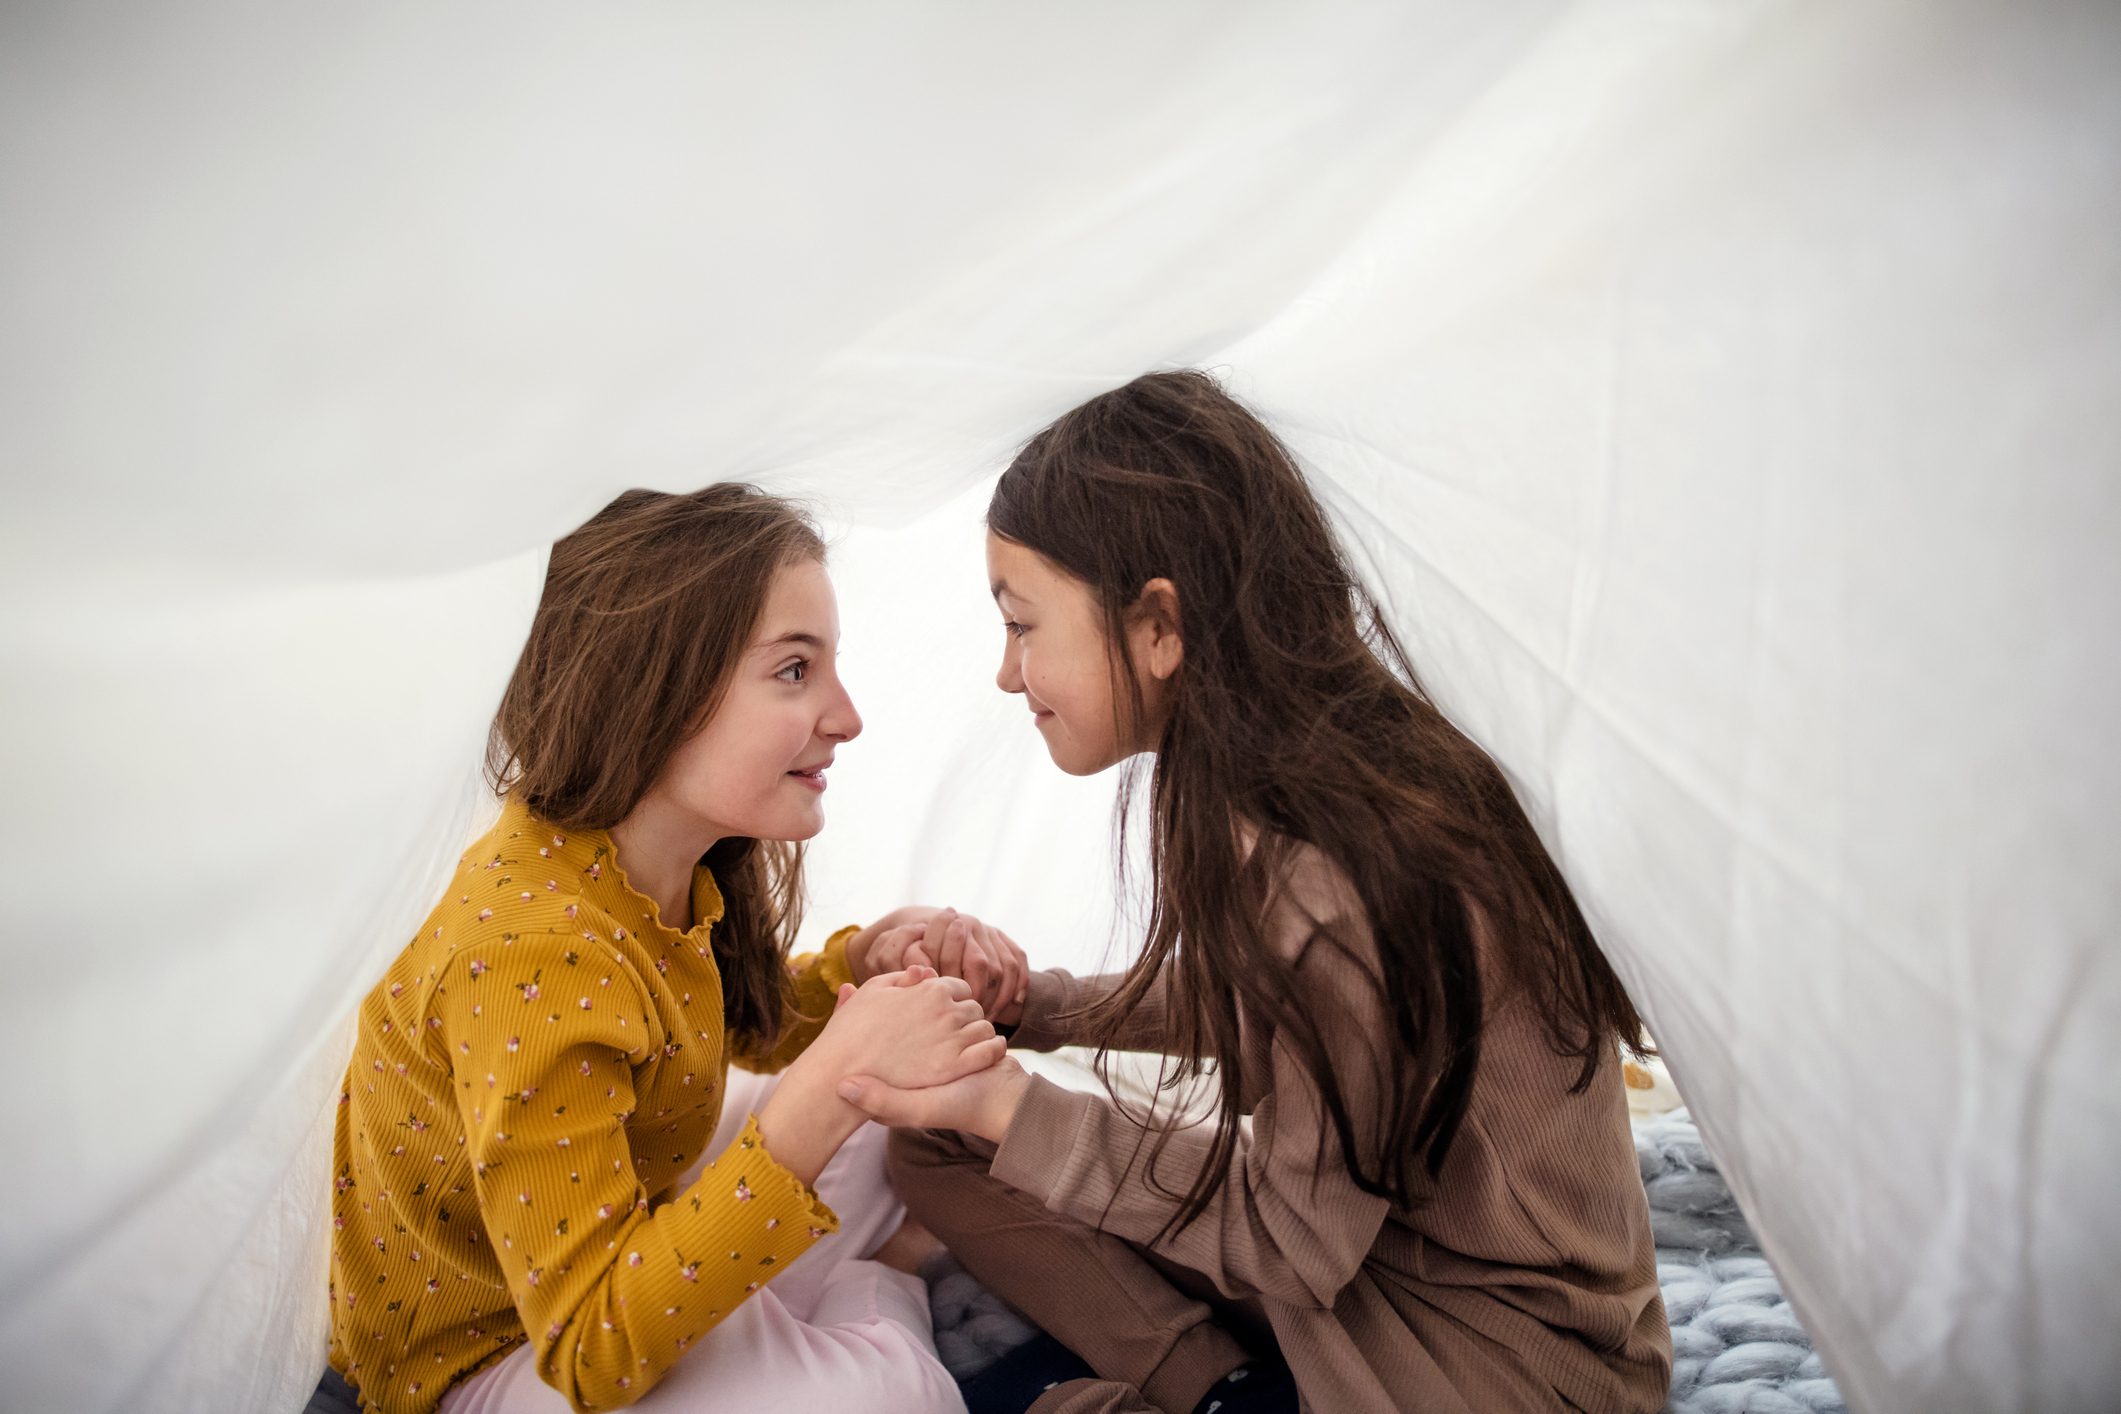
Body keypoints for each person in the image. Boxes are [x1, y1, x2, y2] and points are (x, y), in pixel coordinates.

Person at [836, 372, 1675, 1414]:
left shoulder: (1341, 871)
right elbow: (1272, 1007)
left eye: (1023, 624)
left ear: (1157, 627)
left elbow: (1293, 1233)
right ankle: (1216, 1384)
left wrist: (1010, 1101)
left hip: (1504, 1373)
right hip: (1378, 1278)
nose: (1010, 675)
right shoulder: (1312, 785)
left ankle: (1210, 1391)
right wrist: (1031, 1008)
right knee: (937, 1139)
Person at [326, 485, 1026, 1414]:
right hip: (500, 1357)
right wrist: (830, 1080)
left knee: (911, 1107)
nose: (846, 716)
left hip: (630, 1229)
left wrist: (861, 973)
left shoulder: (650, 865)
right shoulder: (534, 953)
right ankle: (882, 1293)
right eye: (792, 672)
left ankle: (805, 1309)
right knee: (887, 1401)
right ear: (655, 692)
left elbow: (724, 1031)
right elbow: (588, 1354)